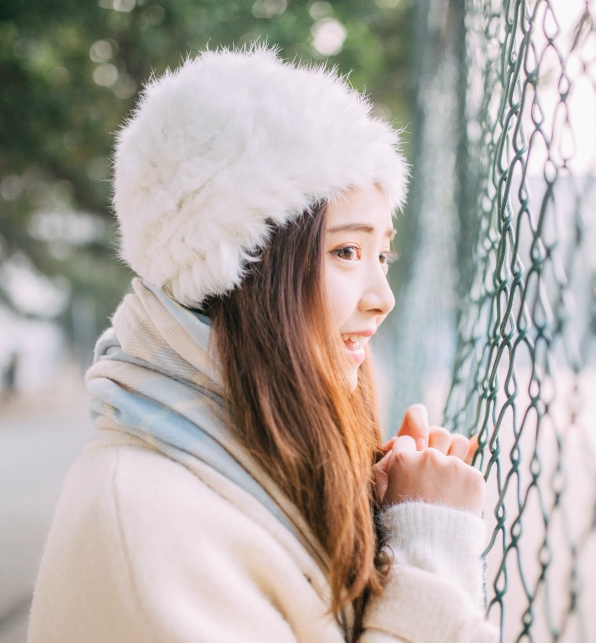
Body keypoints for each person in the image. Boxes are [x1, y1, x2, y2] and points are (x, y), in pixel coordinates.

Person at [28, 47, 497, 643]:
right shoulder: (154, 523)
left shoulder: (243, 460)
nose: (384, 296)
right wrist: (430, 551)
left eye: (384, 254)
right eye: (347, 252)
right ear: (244, 270)